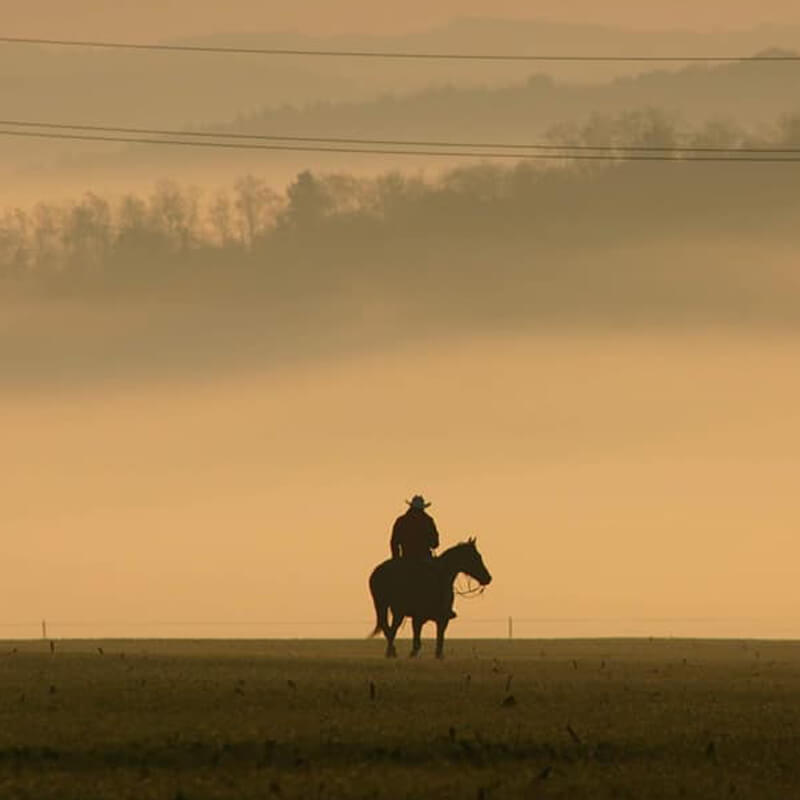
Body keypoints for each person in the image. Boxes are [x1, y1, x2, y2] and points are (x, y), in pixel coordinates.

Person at [390, 495, 456, 619]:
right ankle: (445, 608)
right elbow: (435, 543)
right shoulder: (427, 520)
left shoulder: (401, 520)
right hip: (423, 558)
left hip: (406, 558)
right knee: (442, 579)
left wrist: (396, 559)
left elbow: (394, 541)